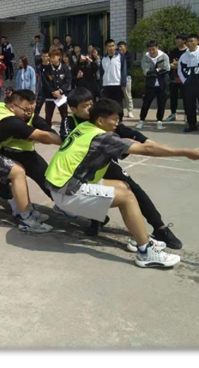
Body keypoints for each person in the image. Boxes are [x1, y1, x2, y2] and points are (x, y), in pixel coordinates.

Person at [45, 98, 199, 267]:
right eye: (114, 119)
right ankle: (145, 252)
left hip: (60, 186)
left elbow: (130, 142)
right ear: (100, 120)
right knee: (127, 198)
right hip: (67, 192)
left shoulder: (85, 127)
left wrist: (136, 142)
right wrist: (186, 152)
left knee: (124, 186)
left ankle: (140, 237)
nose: (117, 123)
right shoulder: (102, 138)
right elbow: (146, 149)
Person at [62, 88, 184, 249]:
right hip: (82, 168)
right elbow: (65, 140)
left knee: (132, 189)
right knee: (88, 192)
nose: (90, 108)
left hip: (105, 164)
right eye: (85, 106)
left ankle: (159, 227)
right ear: (73, 109)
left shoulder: (103, 118)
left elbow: (127, 132)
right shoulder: (69, 122)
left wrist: (148, 143)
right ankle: (97, 220)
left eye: (91, 104)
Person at [0, 89, 61, 233]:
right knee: (17, 172)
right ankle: (26, 220)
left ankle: (28, 209)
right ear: (13, 106)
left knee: (18, 168)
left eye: (31, 109)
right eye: (25, 109)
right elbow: (43, 136)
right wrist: (67, 142)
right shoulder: (11, 121)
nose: (28, 113)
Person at [136, 41, 171, 131]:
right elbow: (146, 72)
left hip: (162, 84)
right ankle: (141, 120)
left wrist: (153, 71)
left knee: (161, 104)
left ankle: (159, 121)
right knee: (146, 103)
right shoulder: (145, 58)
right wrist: (157, 70)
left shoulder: (164, 56)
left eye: (153, 49)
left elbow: (167, 69)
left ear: (157, 48)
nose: (152, 51)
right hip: (150, 85)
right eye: (149, 49)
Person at [40, 48, 71, 130]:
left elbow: (68, 81)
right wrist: (53, 91)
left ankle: (65, 131)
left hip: (61, 96)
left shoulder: (65, 68)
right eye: (50, 57)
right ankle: (48, 132)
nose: (51, 59)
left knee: (64, 116)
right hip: (50, 96)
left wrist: (60, 91)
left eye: (53, 57)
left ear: (59, 57)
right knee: (48, 116)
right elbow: (46, 82)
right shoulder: (47, 69)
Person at [165, 35, 188, 122]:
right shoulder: (173, 51)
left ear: (184, 40)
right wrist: (173, 65)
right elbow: (170, 63)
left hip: (185, 77)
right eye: (176, 39)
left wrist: (179, 65)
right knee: (173, 96)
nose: (177, 41)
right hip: (174, 77)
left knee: (186, 96)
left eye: (179, 39)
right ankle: (173, 113)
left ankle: (187, 114)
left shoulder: (188, 51)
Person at [100, 40, 127, 111]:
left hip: (117, 83)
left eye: (113, 46)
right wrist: (101, 84)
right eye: (109, 46)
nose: (111, 48)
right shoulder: (103, 58)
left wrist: (123, 82)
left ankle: (119, 117)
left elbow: (123, 70)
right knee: (108, 105)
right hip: (106, 84)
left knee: (118, 104)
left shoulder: (120, 56)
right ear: (106, 47)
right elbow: (101, 72)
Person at [116, 41, 134, 118]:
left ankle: (130, 111)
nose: (120, 48)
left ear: (125, 47)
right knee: (117, 95)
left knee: (127, 95)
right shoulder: (116, 55)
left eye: (121, 46)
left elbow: (129, 66)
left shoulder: (129, 55)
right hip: (117, 77)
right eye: (118, 47)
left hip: (126, 77)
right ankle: (118, 111)